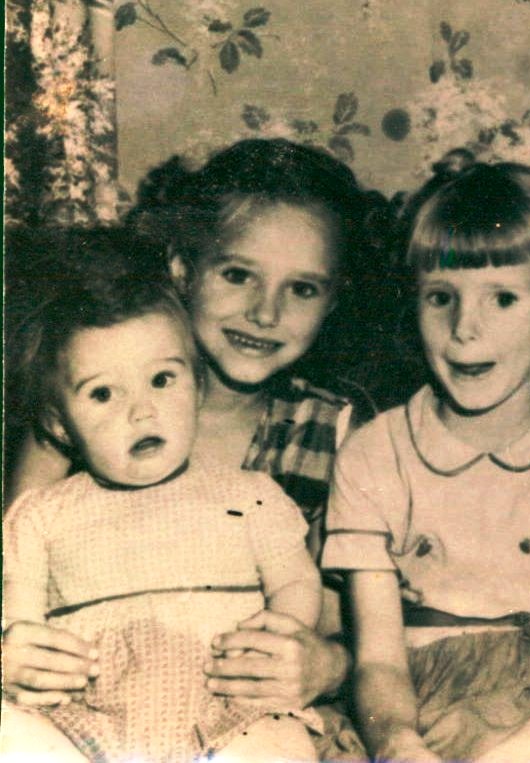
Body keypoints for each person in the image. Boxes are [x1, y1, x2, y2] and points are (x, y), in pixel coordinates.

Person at [2, 138, 383, 729]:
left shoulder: (334, 433)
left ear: (333, 301)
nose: (265, 313)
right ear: (183, 269)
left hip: (238, 718)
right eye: (238, 275)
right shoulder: (84, 407)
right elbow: (13, 585)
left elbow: (346, 629)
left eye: (302, 288)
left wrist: (325, 667)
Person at [321, 152, 530, 763]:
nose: (465, 328)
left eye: (502, 298)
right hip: (414, 702)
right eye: (441, 297)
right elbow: (379, 661)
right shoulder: (373, 454)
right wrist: (397, 744)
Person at [1, 253, 320, 762]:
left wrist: (281, 635)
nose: (141, 410)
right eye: (103, 393)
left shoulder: (250, 496)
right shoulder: (41, 515)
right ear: (60, 425)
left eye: (162, 380)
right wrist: (16, 656)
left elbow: (296, 581)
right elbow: (18, 621)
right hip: (83, 716)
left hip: (228, 707)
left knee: (278, 742)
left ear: (197, 388)